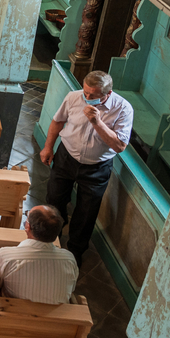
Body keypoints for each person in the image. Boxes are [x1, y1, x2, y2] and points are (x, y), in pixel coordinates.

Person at [41, 70, 132, 267]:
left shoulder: (123, 109)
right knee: (54, 198)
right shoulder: (74, 97)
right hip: (67, 157)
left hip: (97, 167)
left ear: (107, 94)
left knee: (86, 212)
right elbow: (58, 121)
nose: (87, 98)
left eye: (93, 95)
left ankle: (74, 253)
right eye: (85, 92)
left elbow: (119, 146)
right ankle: (52, 238)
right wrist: (48, 147)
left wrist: (97, 122)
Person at [0, 205, 79, 304]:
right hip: (59, 317)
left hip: (13, 315)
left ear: (28, 226)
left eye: (27, 215)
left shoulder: (6, 256)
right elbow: (71, 288)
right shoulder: (69, 259)